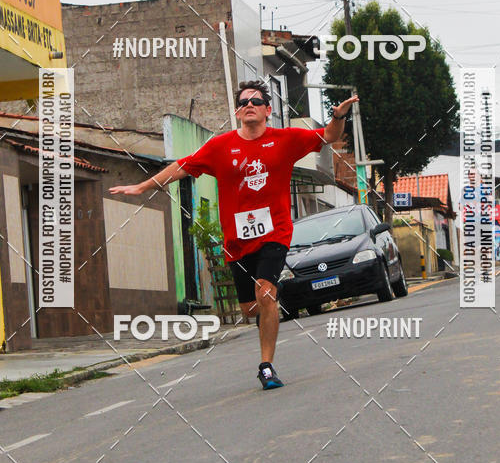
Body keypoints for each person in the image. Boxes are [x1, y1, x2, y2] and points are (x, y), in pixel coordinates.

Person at [109, 80, 358, 390]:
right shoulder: (220, 147)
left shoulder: (287, 139)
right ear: (238, 112)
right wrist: (142, 186)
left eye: (256, 101)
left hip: (274, 232)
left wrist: (338, 116)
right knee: (250, 309)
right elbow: (182, 166)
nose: (249, 104)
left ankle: (266, 366)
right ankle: (269, 304)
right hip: (237, 242)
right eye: (243, 102)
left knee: (264, 292)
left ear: (268, 110)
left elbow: (329, 136)